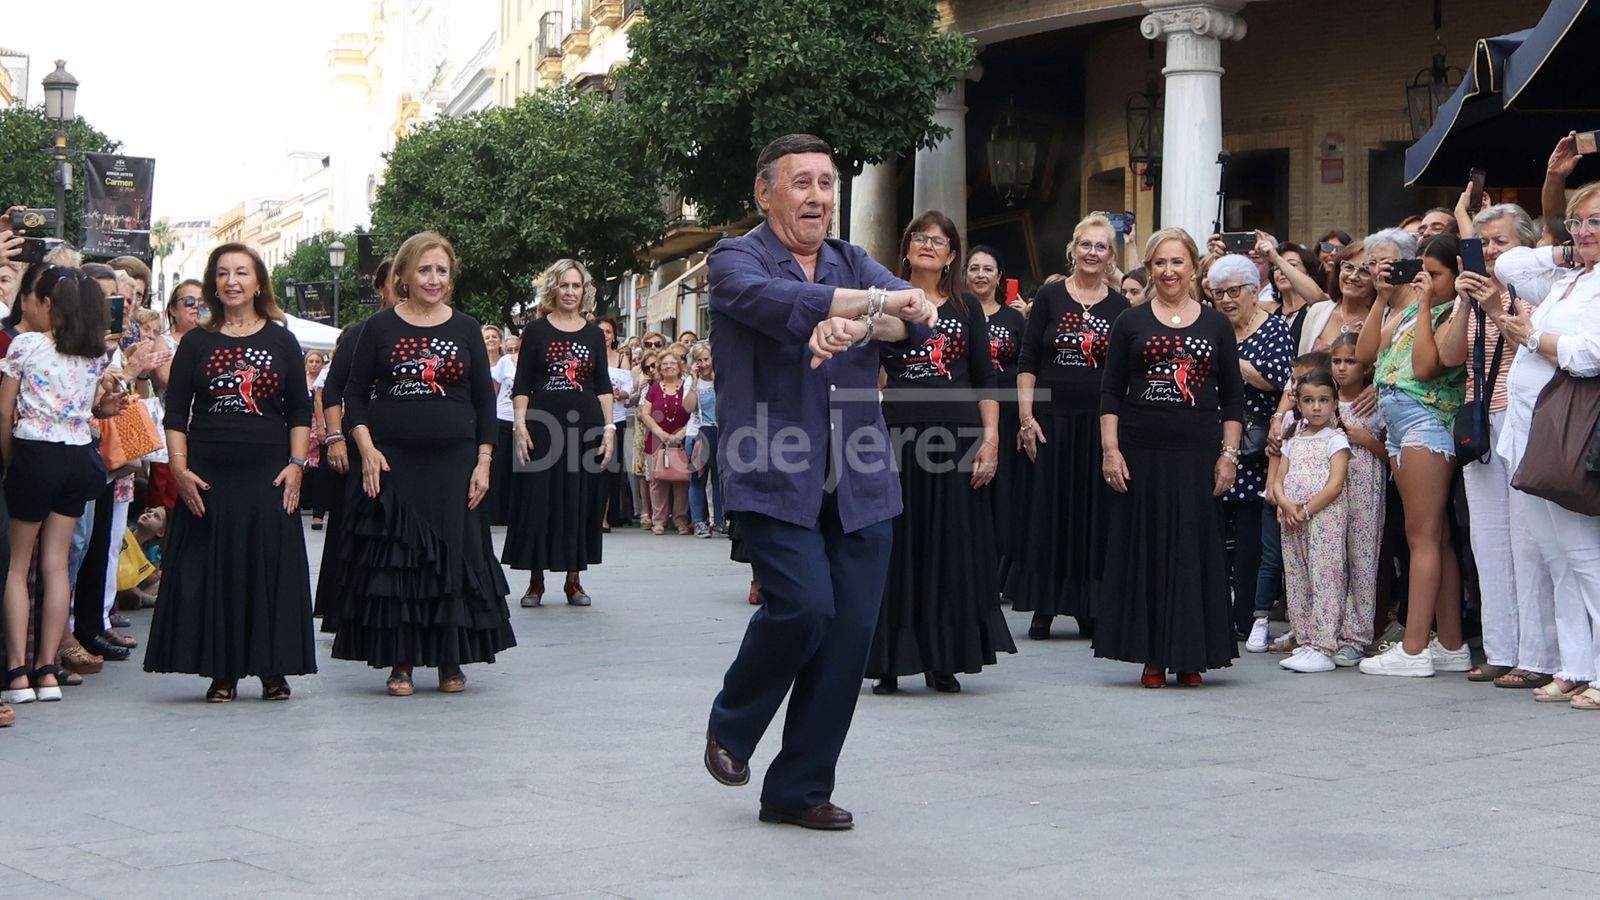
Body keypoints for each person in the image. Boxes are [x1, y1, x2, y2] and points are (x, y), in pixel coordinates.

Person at [702, 134, 934, 831]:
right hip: (771, 467)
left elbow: (918, 319)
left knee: (848, 636)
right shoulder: (733, 259)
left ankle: (797, 789)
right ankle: (732, 723)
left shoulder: (850, 258)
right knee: (804, 607)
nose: (818, 197)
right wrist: (866, 309)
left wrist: (869, 316)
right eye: (801, 183)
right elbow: (776, 303)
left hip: (862, 476)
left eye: (827, 184)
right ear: (764, 192)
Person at [329, 232, 514, 696]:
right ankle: (402, 661)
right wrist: (365, 447)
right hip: (394, 461)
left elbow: (482, 403)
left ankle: (451, 659)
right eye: (425, 270)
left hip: (454, 461)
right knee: (400, 558)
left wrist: (485, 460)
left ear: (451, 278)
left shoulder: (467, 328)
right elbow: (352, 392)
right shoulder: (380, 328)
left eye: (442, 271)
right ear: (405, 276)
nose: (433, 279)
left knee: (454, 555)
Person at [143, 244, 316, 702]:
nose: (232, 281)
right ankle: (221, 671)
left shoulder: (281, 339)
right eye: (223, 273)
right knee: (215, 570)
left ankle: (273, 669)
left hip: (269, 472)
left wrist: (297, 465)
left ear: (259, 281)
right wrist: (179, 469)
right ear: (213, 283)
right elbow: (176, 412)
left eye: (242, 272)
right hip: (209, 473)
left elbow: (300, 408)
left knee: (269, 567)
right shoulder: (197, 343)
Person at [866, 211, 1012, 695]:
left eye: (940, 240)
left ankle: (943, 658)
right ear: (906, 248)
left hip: (958, 438)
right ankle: (888, 658)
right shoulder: (884, 301)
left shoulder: (968, 309)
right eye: (920, 238)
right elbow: (868, 375)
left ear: (952, 255)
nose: (929, 245)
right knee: (897, 545)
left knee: (950, 546)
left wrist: (990, 441)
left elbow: (986, 381)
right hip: (898, 437)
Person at [1094, 227, 1244, 687]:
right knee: (1147, 550)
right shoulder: (1130, 322)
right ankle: (1152, 656)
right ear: (1150, 268)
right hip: (1141, 454)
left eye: (1177, 262)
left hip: (1198, 455)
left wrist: (1229, 456)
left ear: (1194, 266)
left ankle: (1191, 654)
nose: (1168, 271)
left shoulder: (1216, 324)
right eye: (1159, 263)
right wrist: (1110, 451)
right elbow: (1111, 392)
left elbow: (1233, 398)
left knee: (1193, 552)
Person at [1494, 182, 1600, 708]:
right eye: (1579, 222)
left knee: (1584, 556)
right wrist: (1570, 246)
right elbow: (1510, 264)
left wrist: (1532, 337)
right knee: (1557, 557)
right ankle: (1575, 664)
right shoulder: (1569, 279)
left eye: (1595, 223)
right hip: (1530, 433)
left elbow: (1589, 355)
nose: (1584, 233)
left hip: (1569, 435)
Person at [1433, 203, 1543, 683]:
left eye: (1501, 241)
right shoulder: (1472, 290)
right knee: (1488, 539)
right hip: (1480, 419)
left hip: (1523, 418)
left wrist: (1497, 302)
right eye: (1485, 243)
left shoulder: (1537, 289)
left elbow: (1532, 347)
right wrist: (1465, 300)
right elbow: (1450, 355)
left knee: (1527, 541)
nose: (1493, 251)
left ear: (1526, 244)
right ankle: (1501, 648)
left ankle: (1536, 656)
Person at [1, 267, 120, 706]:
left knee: (18, 566)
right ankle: (47, 670)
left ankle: (17, 673)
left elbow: (4, 411)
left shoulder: (26, 345)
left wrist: (10, 462)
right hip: (77, 455)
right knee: (56, 565)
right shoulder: (93, 355)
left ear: (51, 304)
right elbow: (84, 407)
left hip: (36, 451)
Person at [1009, 214, 1131, 639]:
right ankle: (1045, 603)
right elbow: (1027, 361)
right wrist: (1026, 419)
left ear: (1110, 255)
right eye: (1086, 245)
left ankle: (1089, 604)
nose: (1093, 253)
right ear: (1072, 248)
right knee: (1049, 510)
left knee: (1093, 513)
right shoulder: (1049, 297)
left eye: (1101, 247)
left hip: (1098, 424)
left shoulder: (1120, 307)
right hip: (1050, 421)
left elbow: (1123, 375)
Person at [1355, 230, 1470, 677]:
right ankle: (1452, 644)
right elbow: (1367, 353)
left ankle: (1415, 647)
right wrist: (1383, 298)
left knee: (1421, 537)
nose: (1425, 279)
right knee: (1434, 536)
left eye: (1435, 273)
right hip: (1402, 424)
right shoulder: (1408, 309)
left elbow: (1426, 367)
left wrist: (1422, 305)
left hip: (1426, 423)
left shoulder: (1448, 311)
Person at [503, 259, 616, 605]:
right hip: (542, 426)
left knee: (579, 500)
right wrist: (519, 426)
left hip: (585, 426)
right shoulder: (536, 332)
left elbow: (602, 385)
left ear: (585, 291)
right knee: (538, 499)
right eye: (564, 285)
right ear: (553, 288)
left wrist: (609, 428)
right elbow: (522, 383)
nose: (570, 292)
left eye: (576, 286)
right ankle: (535, 581)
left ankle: (574, 580)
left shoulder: (594, 334)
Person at [1210, 255, 1294, 641]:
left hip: (1254, 446)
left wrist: (1233, 360)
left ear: (1252, 291)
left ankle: (1244, 618)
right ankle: (1211, 614)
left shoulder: (1273, 328)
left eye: (1233, 291)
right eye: (1218, 293)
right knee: (1210, 534)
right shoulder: (1210, 327)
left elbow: (1277, 380)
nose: (1226, 300)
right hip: (1210, 440)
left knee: (1247, 537)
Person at [313, 257, 395, 623]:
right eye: (396, 281)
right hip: (362, 441)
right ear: (379, 288)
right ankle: (350, 608)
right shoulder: (362, 332)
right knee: (358, 525)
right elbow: (333, 388)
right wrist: (334, 439)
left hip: (409, 445)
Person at [1271, 369, 1352, 673]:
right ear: (1298, 404)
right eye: (1309, 400)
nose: (1316, 407)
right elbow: (1279, 480)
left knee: (1325, 576)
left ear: (1334, 403)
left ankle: (1324, 644)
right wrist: (1285, 503)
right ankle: (1305, 639)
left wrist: (1306, 510)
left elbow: (1335, 484)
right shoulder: (1293, 440)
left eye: (1323, 400)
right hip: (1293, 520)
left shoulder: (1337, 440)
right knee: (1297, 577)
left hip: (1322, 519)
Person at [967, 245, 1028, 587]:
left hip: (1006, 414)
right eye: (974, 268)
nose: (980, 275)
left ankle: (1001, 572)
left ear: (999, 277)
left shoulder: (1014, 319)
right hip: (968, 414)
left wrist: (1024, 418)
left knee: (1005, 494)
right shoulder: (959, 313)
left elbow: (1026, 366)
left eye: (987, 269)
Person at [1328, 332, 1385, 665]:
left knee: (1362, 559)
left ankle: (1357, 634)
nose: (1342, 368)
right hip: (1329, 490)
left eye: (1351, 361)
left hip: (1365, 484)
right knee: (1331, 560)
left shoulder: (1372, 403)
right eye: (1337, 361)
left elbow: (1389, 454)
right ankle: (1327, 628)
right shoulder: (1323, 399)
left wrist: (1364, 439)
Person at [639, 344, 693, 535]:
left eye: (672, 363)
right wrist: (659, 432)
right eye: (665, 363)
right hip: (656, 439)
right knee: (657, 480)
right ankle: (659, 520)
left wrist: (682, 433)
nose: (669, 366)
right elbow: (644, 413)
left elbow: (695, 412)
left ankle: (680, 520)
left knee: (681, 480)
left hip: (681, 438)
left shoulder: (686, 386)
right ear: (659, 367)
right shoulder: (653, 389)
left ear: (679, 366)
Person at [1301, 241, 1377, 353]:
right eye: (1349, 267)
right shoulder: (1317, 311)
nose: (1353, 276)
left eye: (1364, 271)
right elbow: (1301, 362)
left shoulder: (1384, 319)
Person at [599, 318, 635, 529]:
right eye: (601, 331)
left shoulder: (622, 359)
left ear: (613, 335)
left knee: (611, 469)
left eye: (608, 331)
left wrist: (621, 393)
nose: (604, 335)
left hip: (617, 418)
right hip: (591, 417)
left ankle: (606, 516)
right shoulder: (587, 356)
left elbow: (629, 389)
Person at [686, 342, 721, 537]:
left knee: (719, 478)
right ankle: (698, 521)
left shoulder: (721, 378)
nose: (703, 363)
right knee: (698, 477)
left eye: (706, 359)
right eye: (699, 360)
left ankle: (719, 520)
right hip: (697, 433)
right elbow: (688, 408)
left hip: (719, 432)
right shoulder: (692, 382)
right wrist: (693, 380)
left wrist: (716, 377)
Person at [483, 324, 516, 527]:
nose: (491, 340)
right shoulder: (503, 363)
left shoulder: (515, 362)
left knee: (514, 469)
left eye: (495, 337)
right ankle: (494, 512)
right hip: (500, 417)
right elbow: (493, 392)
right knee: (498, 467)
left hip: (519, 420)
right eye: (487, 337)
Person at [301, 350, 336, 531]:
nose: (314, 364)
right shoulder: (299, 381)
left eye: (317, 361)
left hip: (323, 427)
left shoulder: (326, 379)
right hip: (304, 429)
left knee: (323, 471)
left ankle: (318, 512)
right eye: (311, 361)